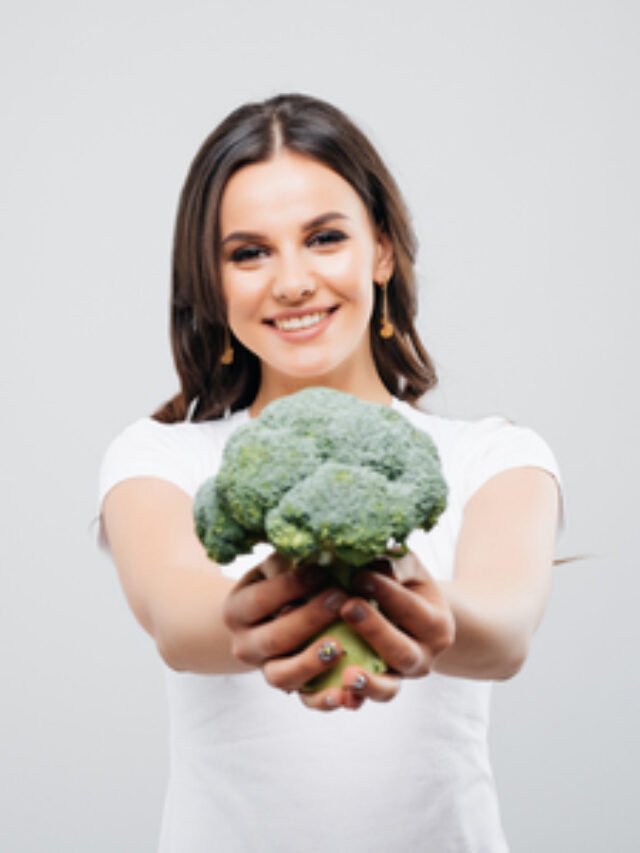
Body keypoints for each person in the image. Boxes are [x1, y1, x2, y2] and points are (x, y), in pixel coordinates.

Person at [98, 93, 563, 852]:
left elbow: (505, 626)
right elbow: (180, 620)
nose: (292, 282)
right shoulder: (157, 456)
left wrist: (406, 603)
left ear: (381, 249)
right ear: (213, 284)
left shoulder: (497, 456)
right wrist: (281, 603)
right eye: (249, 252)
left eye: (324, 238)